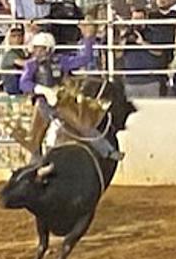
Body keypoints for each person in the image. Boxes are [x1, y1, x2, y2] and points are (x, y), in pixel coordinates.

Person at [17, 25, 120, 164]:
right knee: (34, 137)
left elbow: (85, 59)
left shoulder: (61, 61)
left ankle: (108, 151)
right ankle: (35, 164)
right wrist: (43, 90)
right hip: (42, 104)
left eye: (40, 48)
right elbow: (23, 83)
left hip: (62, 102)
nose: (36, 51)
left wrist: (88, 39)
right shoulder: (31, 65)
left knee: (83, 125)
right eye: (35, 48)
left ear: (48, 49)